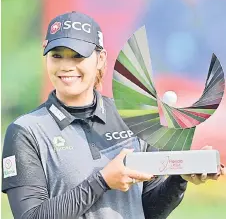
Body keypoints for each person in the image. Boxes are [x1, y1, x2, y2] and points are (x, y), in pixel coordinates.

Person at [2, 11, 225, 219]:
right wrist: (102, 181)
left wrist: (179, 177)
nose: (66, 66)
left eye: (78, 56)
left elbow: (148, 209)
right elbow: (30, 216)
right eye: (57, 56)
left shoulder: (136, 117)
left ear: (100, 59)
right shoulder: (26, 132)